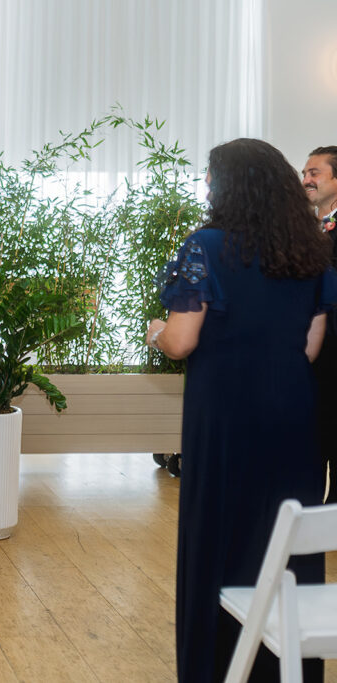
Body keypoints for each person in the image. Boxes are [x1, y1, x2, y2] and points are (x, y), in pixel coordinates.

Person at [146, 138, 335, 682]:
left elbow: (182, 341)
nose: (206, 187)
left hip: (226, 413)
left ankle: (218, 665)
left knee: (222, 533)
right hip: (293, 411)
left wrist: (157, 331)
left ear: (229, 187)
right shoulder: (309, 251)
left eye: (211, 177)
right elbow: (310, 346)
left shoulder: (206, 245)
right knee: (284, 534)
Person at [302, 146, 337, 504]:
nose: (306, 179)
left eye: (315, 173)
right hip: (309, 350)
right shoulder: (301, 227)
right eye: (305, 173)